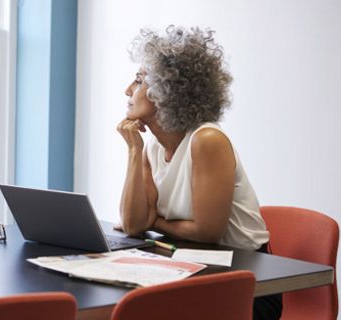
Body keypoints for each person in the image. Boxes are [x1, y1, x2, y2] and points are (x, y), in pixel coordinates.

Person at [116, 25, 282, 320]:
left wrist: (153, 220)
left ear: (165, 91)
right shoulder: (151, 147)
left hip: (246, 283)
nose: (128, 90)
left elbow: (207, 232)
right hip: (193, 269)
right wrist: (132, 150)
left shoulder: (207, 141)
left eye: (139, 81)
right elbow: (132, 224)